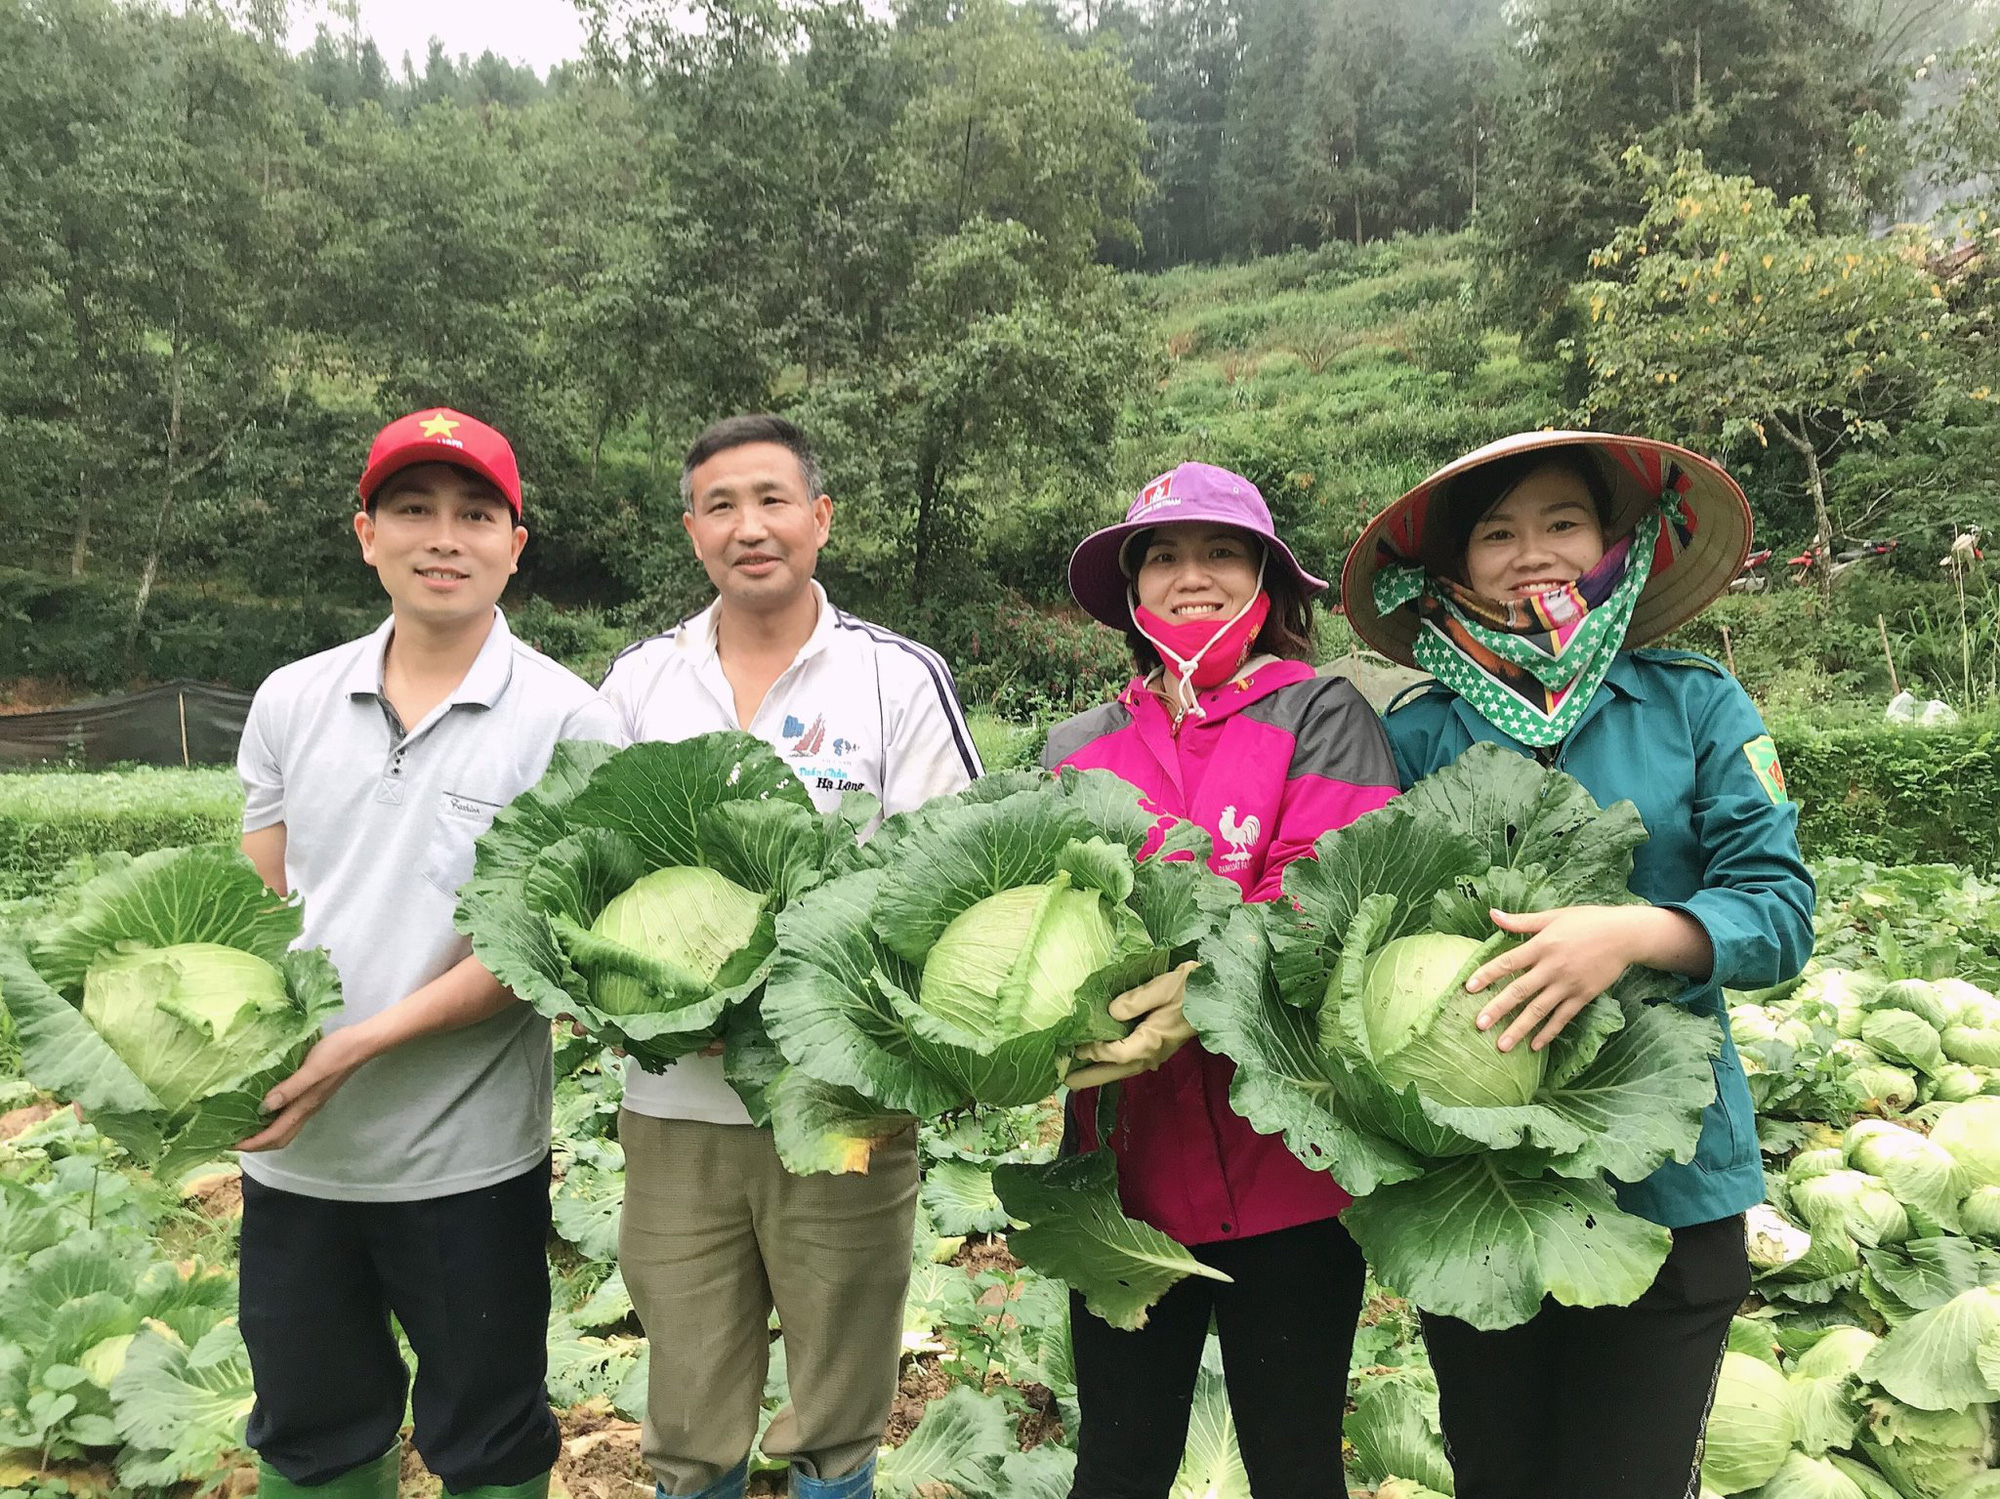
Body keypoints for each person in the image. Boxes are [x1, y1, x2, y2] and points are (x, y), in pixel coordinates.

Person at [1340, 431, 1816, 1499]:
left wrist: (1636, 932)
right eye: (1496, 534)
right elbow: (1354, 923)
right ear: (1452, 572)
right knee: (1497, 1475)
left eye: (1560, 522)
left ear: (1613, 541)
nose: (1530, 554)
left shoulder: (1696, 705)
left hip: (1668, 1183)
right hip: (1474, 1187)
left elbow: (1781, 907)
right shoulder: (1418, 733)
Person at [232, 408, 626, 1499]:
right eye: (412, 509)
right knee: (310, 1430)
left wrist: (360, 1042)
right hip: (292, 1153)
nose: (443, 536)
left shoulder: (570, 720)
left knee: (488, 1436)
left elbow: (547, 945)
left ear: (515, 542)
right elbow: (258, 903)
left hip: (466, 1160)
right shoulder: (289, 698)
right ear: (366, 532)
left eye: (474, 513)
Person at [598, 413, 981, 1499]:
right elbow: (574, 868)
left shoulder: (895, 678)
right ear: (691, 530)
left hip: (844, 1094)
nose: (748, 526)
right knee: (688, 1388)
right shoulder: (635, 685)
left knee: (841, 1388)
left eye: (772, 500)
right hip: (676, 1100)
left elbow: (946, 879)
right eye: (720, 505)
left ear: (819, 519)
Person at [1038, 462, 1401, 1499]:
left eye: (1220, 553)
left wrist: (1198, 991)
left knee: (1292, 1462)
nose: (1188, 576)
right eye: (1162, 556)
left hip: (1291, 1165)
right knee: (1117, 1463)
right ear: (1132, 590)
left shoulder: (1322, 716)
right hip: (1120, 1177)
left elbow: (1329, 901)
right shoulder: (1076, 745)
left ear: (1263, 582)